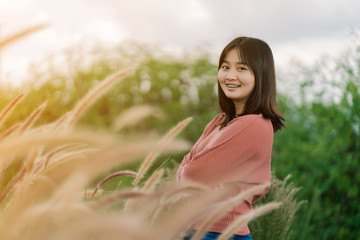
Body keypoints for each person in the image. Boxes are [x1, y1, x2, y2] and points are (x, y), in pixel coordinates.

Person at [177, 36, 285, 240]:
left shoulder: (254, 124)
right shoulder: (219, 122)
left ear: (261, 75)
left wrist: (190, 165)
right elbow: (184, 175)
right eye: (225, 67)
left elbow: (191, 174)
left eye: (242, 68)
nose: (230, 75)